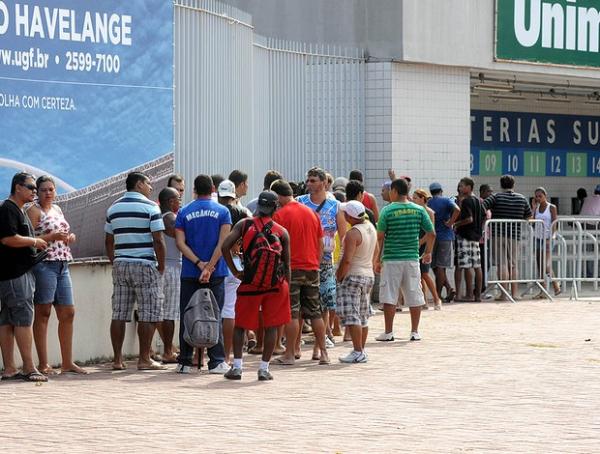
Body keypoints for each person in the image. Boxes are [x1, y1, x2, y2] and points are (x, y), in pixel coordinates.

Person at [221, 191, 291, 380]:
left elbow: (224, 246)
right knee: (271, 326)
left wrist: (236, 270)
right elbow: (287, 264)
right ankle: (264, 369)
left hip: (250, 283)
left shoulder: (244, 225)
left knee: (240, 325)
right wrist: (287, 287)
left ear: (259, 206)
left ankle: (237, 367)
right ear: (275, 207)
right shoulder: (281, 231)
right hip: (274, 285)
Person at [105, 172, 167, 371]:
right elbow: (158, 240)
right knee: (148, 312)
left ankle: (117, 360)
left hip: (121, 264)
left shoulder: (113, 208)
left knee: (119, 313)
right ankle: (144, 359)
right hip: (144, 264)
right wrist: (161, 265)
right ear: (139, 184)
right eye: (149, 183)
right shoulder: (151, 207)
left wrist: (115, 260)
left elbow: (109, 240)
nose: (151, 187)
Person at [26, 175, 87, 375]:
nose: (48, 193)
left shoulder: (57, 209)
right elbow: (28, 238)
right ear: (37, 192)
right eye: (43, 190)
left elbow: (64, 231)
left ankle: (67, 362)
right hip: (45, 263)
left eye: (51, 189)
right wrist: (51, 237)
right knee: (43, 312)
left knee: (68, 312)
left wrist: (70, 237)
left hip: (62, 263)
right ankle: (43, 363)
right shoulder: (33, 210)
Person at [174, 174, 231, 374]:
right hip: (216, 272)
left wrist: (199, 264)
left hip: (190, 271)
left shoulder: (184, 212)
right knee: (215, 313)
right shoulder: (223, 212)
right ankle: (216, 361)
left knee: (187, 314)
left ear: (194, 190)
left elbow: (180, 243)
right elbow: (223, 242)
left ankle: (185, 361)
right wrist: (209, 267)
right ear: (213, 189)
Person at [270, 179, 329, 366]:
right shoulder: (311, 213)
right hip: (312, 268)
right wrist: (316, 263)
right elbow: (321, 243)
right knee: (315, 312)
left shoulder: (280, 215)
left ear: (279, 196)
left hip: (292, 269)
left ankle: (289, 354)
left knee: (292, 313)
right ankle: (324, 354)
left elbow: (277, 246)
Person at [0, 172, 49, 382]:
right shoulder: (9, 209)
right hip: (15, 274)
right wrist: (35, 242)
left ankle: (10, 368)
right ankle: (29, 368)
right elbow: (8, 239)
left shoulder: (17, 209)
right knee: (22, 319)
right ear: (17, 187)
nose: (34, 192)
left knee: (8, 320)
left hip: (14, 273)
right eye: (30, 187)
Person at [375, 178, 435, 342]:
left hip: (391, 258)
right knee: (414, 295)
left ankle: (388, 332)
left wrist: (377, 259)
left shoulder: (387, 211)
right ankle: (415, 331)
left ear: (394, 191)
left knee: (389, 296)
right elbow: (431, 233)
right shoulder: (419, 210)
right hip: (412, 258)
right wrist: (428, 252)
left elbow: (380, 237)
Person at [297, 167, 347, 355]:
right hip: (303, 259)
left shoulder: (335, 206)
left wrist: (341, 264)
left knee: (324, 303)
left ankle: (319, 347)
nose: (308, 184)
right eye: (308, 180)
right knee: (301, 303)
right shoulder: (300, 202)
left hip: (325, 262)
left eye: (313, 181)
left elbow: (343, 237)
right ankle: (296, 346)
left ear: (324, 183)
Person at [335, 201, 378, 363]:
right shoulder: (370, 227)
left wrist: (339, 277)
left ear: (349, 216)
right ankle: (361, 350)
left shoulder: (353, 233)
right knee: (363, 314)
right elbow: (377, 250)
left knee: (352, 315)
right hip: (367, 274)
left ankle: (357, 351)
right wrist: (371, 265)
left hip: (353, 275)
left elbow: (347, 260)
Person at [483, 175, 532, 300]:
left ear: (501, 185)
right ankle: (515, 293)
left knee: (502, 264)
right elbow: (529, 216)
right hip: (514, 235)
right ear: (513, 185)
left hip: (498, 234)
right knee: (513, 264)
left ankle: (504, 294)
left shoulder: (496, 197)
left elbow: (483, 206)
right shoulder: (522, 199)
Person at [217, 179, 249, 363]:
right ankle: (227, 354)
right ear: (234, 195)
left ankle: (212, 353)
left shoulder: (217, 212)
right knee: (230, 310)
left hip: (219, 261)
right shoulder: (244, 213)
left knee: (215, 308)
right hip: (237, 262)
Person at [155, 187, 182, 364]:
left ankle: (166, 349)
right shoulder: (170, 218)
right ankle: (167, 351)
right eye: (178, 198)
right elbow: (178, 235)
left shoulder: (158, 217)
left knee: (161, 311)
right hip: (171, 267)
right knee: (169, 313)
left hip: (164, 267)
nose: (180, 202)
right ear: (171, 201)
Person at [453, 177, 485, 302]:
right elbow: (483, 215)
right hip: (476, 237)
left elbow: (469, 219)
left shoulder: (467, 201)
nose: (460, 188)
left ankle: (465, 295)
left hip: (465, 236)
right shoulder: (478, 200)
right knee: (477, 266)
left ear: (468, 187)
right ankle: (477, 296)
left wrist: (456, 224)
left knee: (464, 265)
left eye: (462, 186)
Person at [428, 182, 460, 302]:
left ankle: (445, 290)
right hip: (445, 237)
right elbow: (457, 209)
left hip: (432, 237)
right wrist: (451, 222)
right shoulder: (446, 200)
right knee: (441, 266)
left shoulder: (429, 202)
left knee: (435, 266)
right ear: (441, 190)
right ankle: (439, 294)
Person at [412, 188, 442, 310]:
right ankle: (423, 300)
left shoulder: (429, 212)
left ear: (422, 199)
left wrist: (421, 243)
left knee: (425, 273)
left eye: (415, 198)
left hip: (426, 245)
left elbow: (431, 232)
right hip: (416, 244)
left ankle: (436, 299)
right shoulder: (415, 211)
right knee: (418, 274)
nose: (413, 200)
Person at [532, 187, 561, 297]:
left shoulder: (551, 207)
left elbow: (554, 223)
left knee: (546, 264)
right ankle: (542, 290)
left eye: (540, 196)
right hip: (538, 238)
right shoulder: (537, 208)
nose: (538, 198)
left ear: (545, 196)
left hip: (548, 239)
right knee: (539, 264)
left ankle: (555, 285)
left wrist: (552, 236)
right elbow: (532, 222)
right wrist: (534, 208)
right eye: (536, 196)